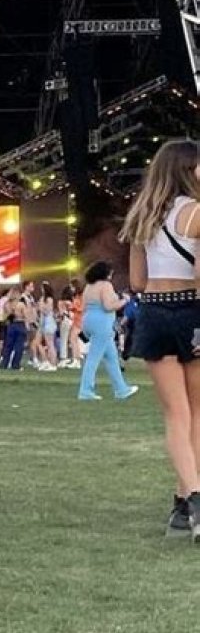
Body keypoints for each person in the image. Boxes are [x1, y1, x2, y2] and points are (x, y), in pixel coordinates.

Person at [119, 138, 200, 539]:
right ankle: (195, 500)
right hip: (192, 309)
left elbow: (137, 281)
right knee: (197, 413)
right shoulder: (197, 212)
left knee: (175, 414)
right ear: (188, 169)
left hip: (154, 310)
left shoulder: (142, 215)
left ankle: (184, 504)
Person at [77, 261, 139, 402]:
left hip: (89, 320)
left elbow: (84, 306)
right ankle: (85, 390)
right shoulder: (106, 285)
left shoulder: (88, 286)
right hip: (102, 323)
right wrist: (124, 301)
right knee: (93, 358)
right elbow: (108, 306)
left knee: (111, 358)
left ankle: (121, 389)